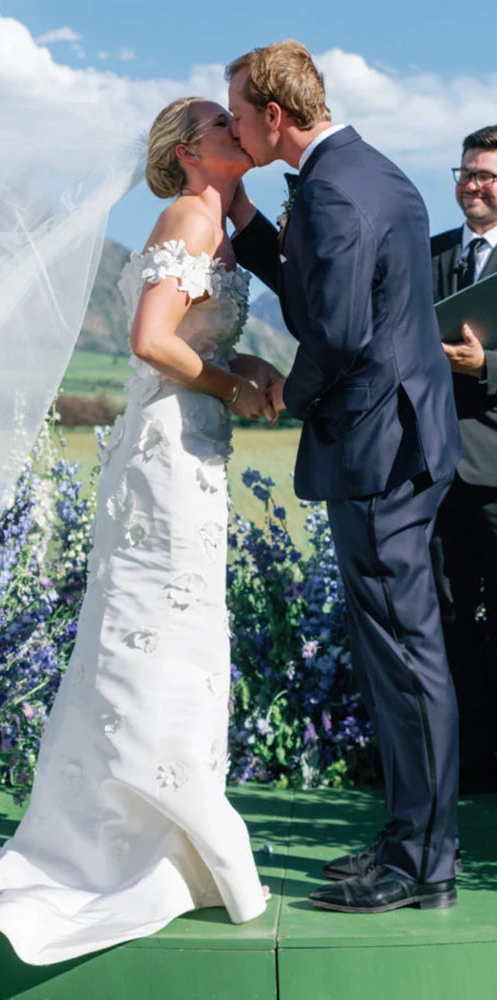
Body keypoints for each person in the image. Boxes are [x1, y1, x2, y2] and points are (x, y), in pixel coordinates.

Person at [0, 97, 285, 963]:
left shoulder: (218, 224)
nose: (242, 130)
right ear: (192, 151)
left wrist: (244, 364)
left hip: (191, 450)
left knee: (174, 636)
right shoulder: (189, 216)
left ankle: (166, 832)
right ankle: (137, 833)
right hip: (164, 453)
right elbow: (151, 339)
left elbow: (194, 336)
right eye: (223, 125)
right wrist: (232, 387)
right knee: (149, 631)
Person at [227, 40, 464, 914]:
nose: (240, 128)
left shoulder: (332, 188)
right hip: (406, 439)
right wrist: (250, 225)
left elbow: (335, 330)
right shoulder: (373, 171)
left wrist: (292, 391)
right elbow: (319, 282)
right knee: (400, 651)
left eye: (241, 115)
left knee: (406, 657)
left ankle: (423, 863)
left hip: (378, 447)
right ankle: (412, 839)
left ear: (275, 118)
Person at [429, 126, 497, 795]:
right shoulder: (435, 255)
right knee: (449, 625)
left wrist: (489, 366)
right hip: (437, 476)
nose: (473, 185)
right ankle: (471, 767)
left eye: (487, 175)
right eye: (467, 172)